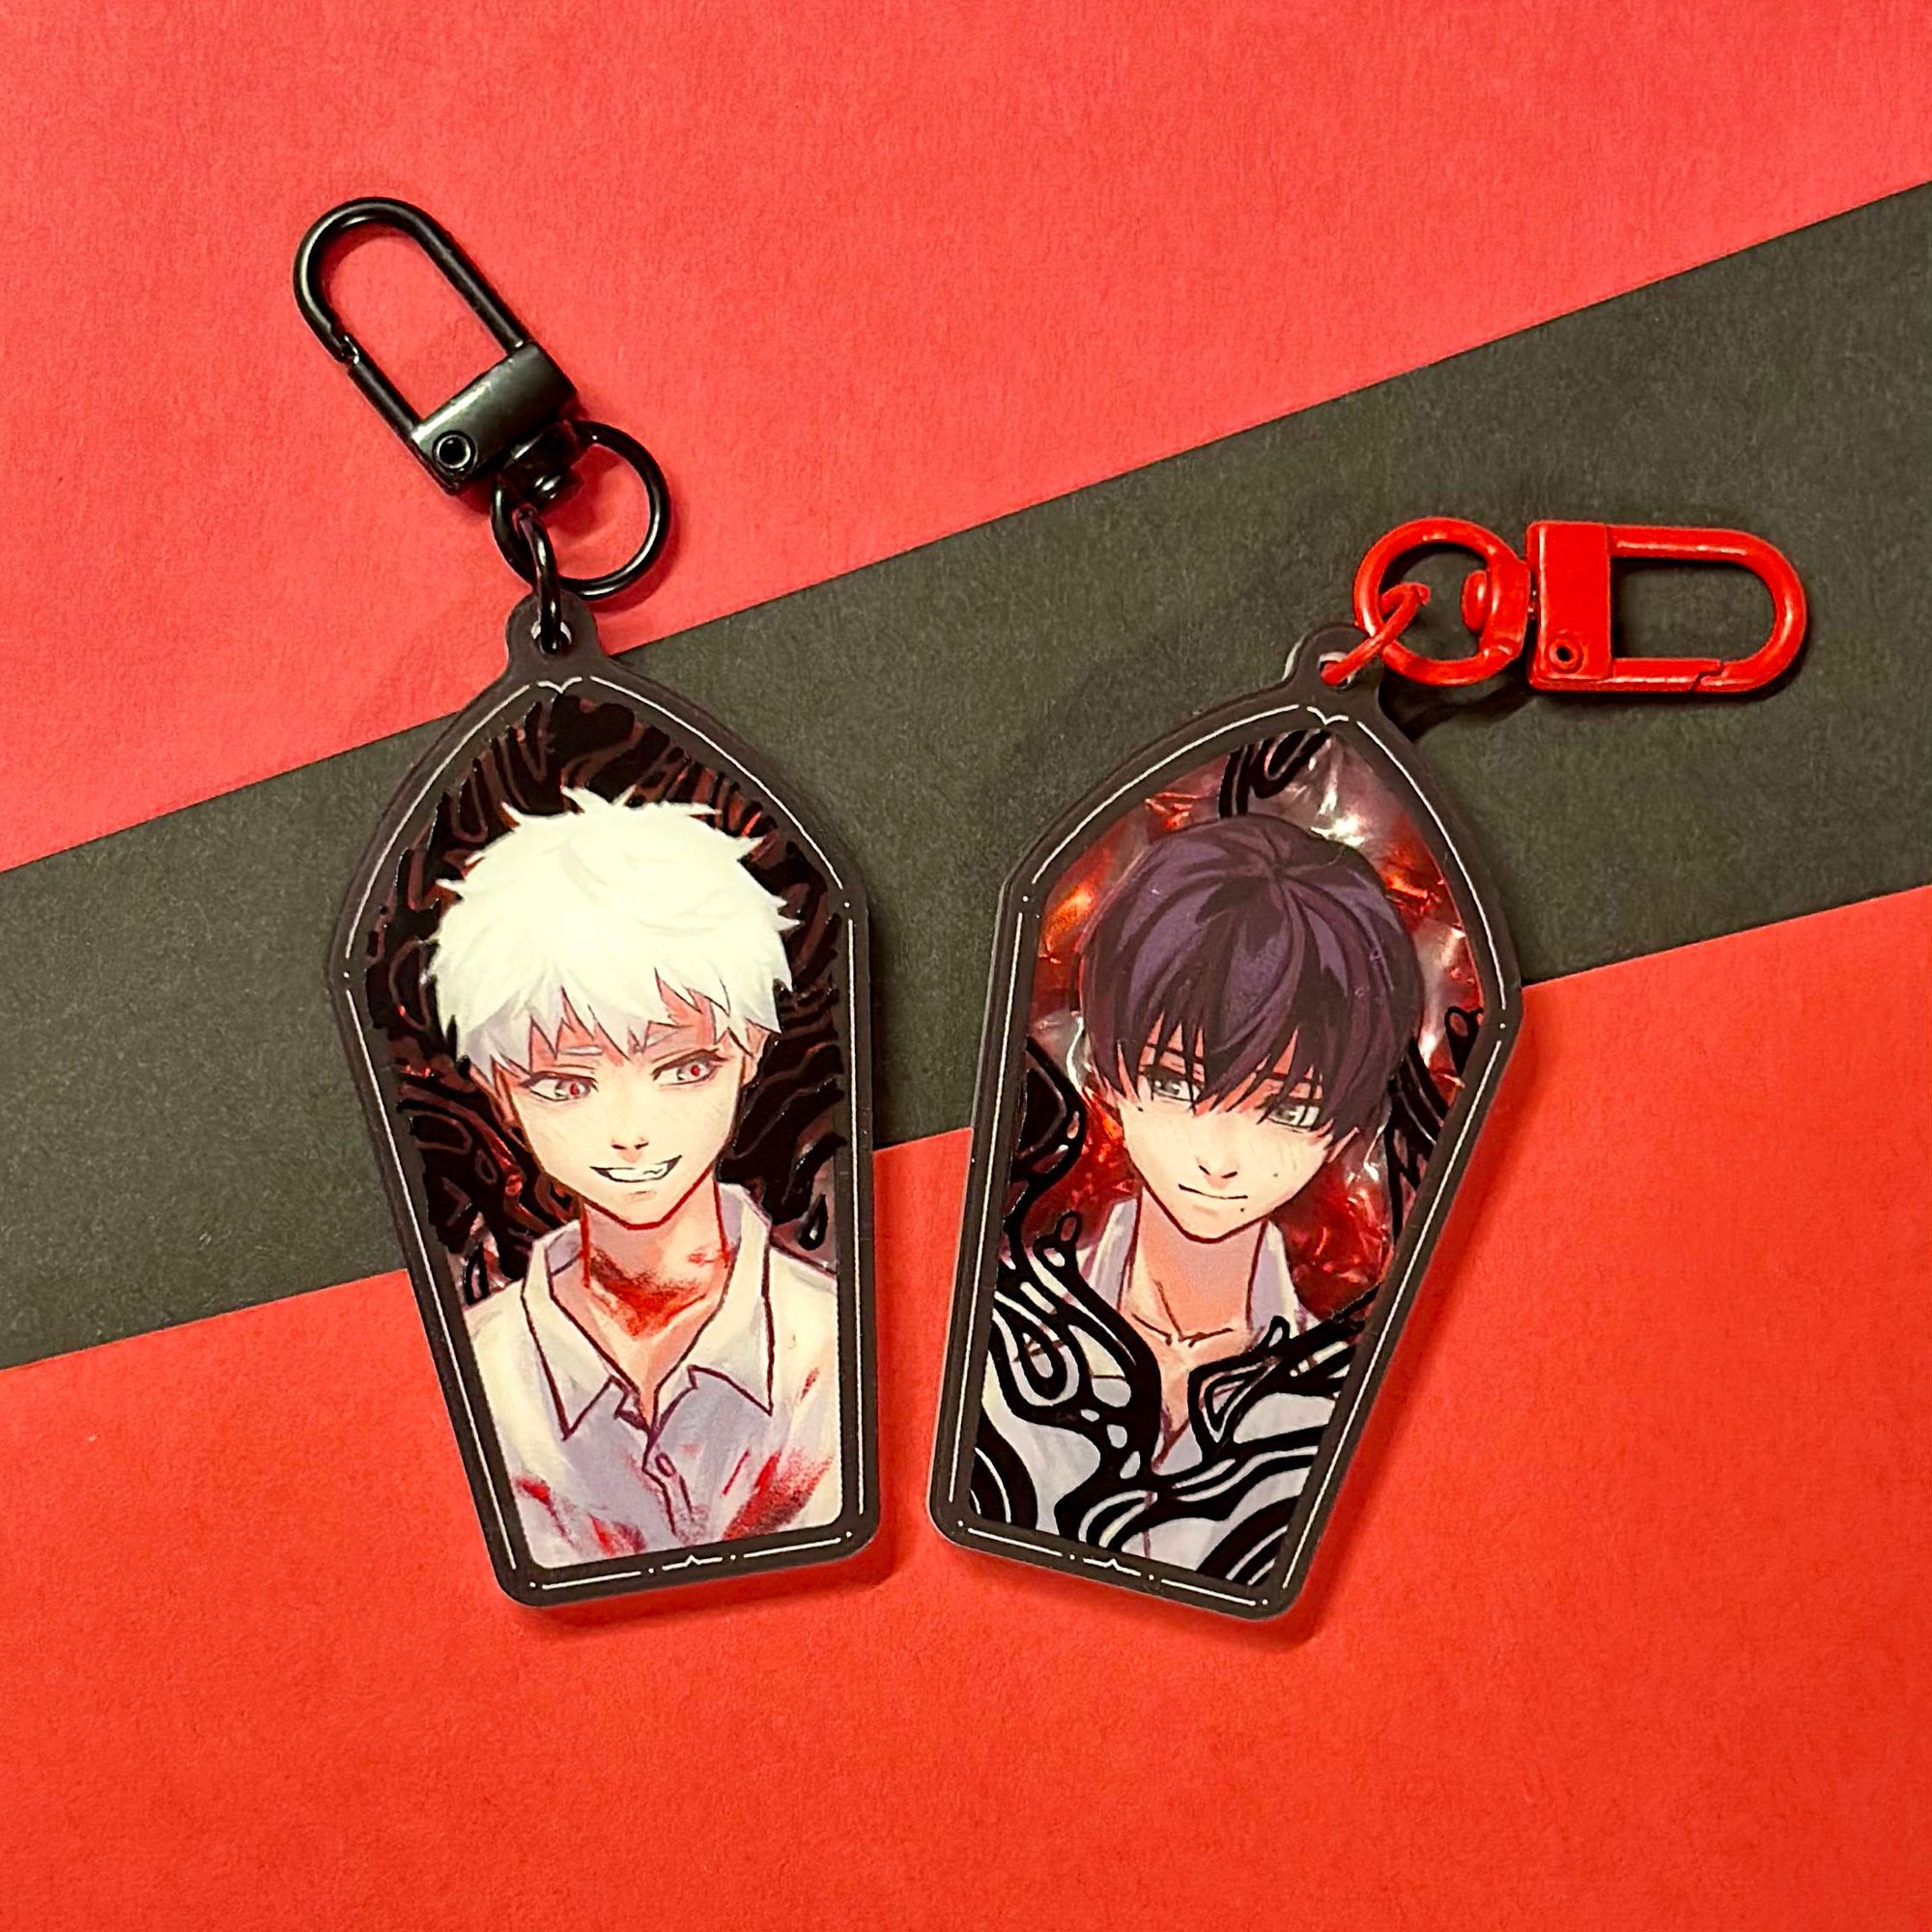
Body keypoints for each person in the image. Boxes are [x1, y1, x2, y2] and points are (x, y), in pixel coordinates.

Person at [980, 812, 1421, 1577]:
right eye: (1176, 1085)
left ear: (1340, 1129)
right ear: (1108, 1076)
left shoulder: (1332, 1399)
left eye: (1286, 1110)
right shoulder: (1005, 1331)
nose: (1219, 1158)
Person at [426, 787, 840, 1566]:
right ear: (501, 1093)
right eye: (566, 1085)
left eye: (685, 1068)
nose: (630, 1132)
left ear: (750, 1052)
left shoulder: (832, 1341)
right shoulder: (477, 1370)